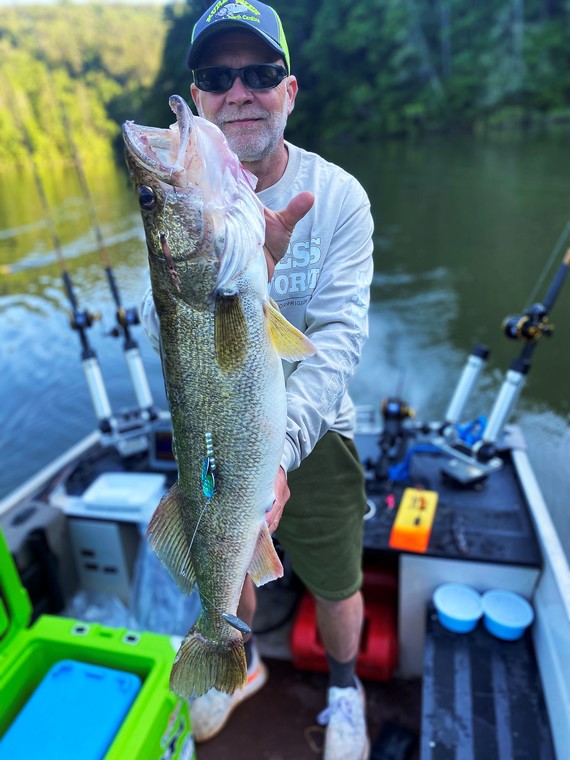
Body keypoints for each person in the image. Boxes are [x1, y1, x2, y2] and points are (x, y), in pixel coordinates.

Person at [141, 2, 374, 758]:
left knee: (337, 581)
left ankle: (345, 689)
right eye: (216, 75)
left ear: (290, 90)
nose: (238, 90)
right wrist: (250, 273)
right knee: (224, 540)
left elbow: (338, 341)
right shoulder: (202, 219)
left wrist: (283, 450)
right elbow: (174, 334)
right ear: (200, 99)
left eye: (259, 73)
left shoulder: (337, 197)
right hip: (218, 429)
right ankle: (228, 658)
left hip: (317, 426)